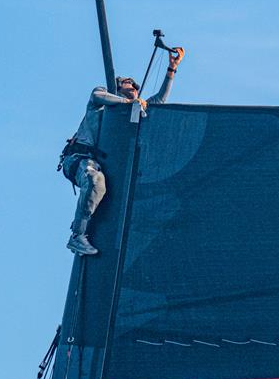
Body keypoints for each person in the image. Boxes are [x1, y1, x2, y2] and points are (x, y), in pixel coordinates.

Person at [60, 48, 185, 255]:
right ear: (117, 88)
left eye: (135, 87)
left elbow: (158, 101)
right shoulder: (101, 104)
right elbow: (97, 95)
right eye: (129, 84)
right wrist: (128, 102)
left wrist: (171, 70)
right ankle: (77, 235)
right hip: (79, 160)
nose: (134, 87)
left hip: (102, 164)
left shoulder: (130, 112)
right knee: (95, 180)